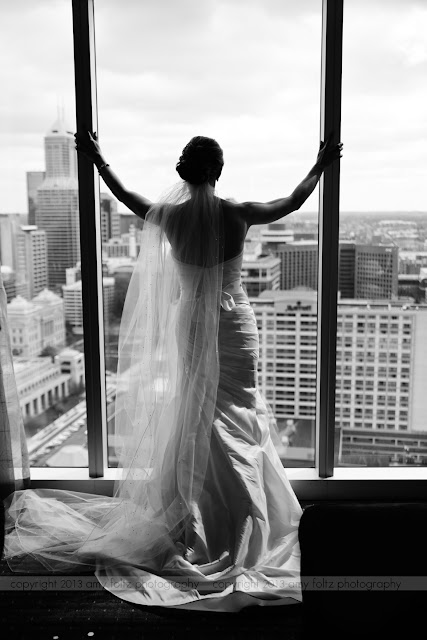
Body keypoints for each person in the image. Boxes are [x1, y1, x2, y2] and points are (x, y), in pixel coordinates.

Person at [3, 131, 342, 613]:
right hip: (233, 322)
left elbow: (124, 196)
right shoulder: (238, 212)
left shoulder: (170, 217)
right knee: (239, 404)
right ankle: (243, 516)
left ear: (184, 170)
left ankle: (197, 514)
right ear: (219, 170)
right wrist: (321, 163)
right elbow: (292, 200)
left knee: (197, 407)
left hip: (191, 322)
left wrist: (98, 158)